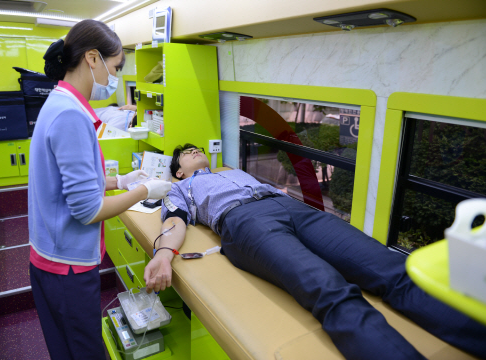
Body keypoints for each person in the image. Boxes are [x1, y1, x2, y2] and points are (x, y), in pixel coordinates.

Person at [143, 143, 486, 360]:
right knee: (330, 290)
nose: (193, 150)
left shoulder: (235, 170)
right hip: (243, 222)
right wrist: (163, 254)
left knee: (394, 268)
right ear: (178, 171)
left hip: (290, 208)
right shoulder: (181, 188)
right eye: (186, 152)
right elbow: (174, 222)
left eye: (196, 147)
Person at [28, 20, 171, 360]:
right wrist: (145, 190)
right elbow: (88, 210)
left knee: (68, 349)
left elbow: (66, 181)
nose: (115, 77)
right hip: (67, 268)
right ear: (92, 58)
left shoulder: (61, 102)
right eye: (116, 66)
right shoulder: (70, 116)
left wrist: (119, 182)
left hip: (50, 257)